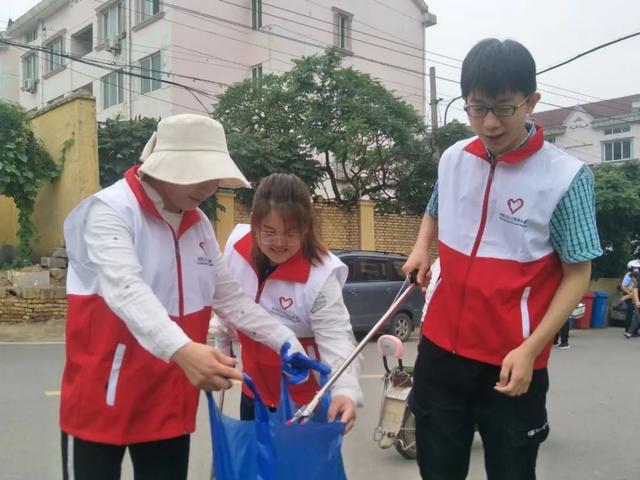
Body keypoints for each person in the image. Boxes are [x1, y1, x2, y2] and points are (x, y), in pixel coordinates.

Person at [60, 115, 308, 480]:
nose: (210, 186)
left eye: (215, 175)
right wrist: (184, 350)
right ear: (165, 165)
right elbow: (126, 291)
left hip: (171, 398)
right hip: (103, 395)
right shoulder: (110, 211)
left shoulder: (199, 225)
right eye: (201, 173)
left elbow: (232, 300)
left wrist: (286, 341)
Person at [402, 39, 602, 480]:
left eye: (504, 108)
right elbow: (435, 207)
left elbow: (578, 271)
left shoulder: (565, 177)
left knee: (511, 470)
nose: (489, 123)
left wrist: (532, 349)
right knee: (437, 468)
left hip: (511, 357)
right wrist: (421, 248)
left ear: (531, 101)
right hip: (440, 349)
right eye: (477, 109)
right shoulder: (454, 158)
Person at [210, 173, 363, 432]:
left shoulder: (320, 274)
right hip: (254, 393)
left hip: (304, 403)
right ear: (254, 223)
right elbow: (227, 305)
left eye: (291, 233)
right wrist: (222, 348)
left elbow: (337, 338)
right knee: (257, 470)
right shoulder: (236, 247)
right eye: (268, 232)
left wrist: (345, 389)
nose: (279, 243)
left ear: (306, 229)